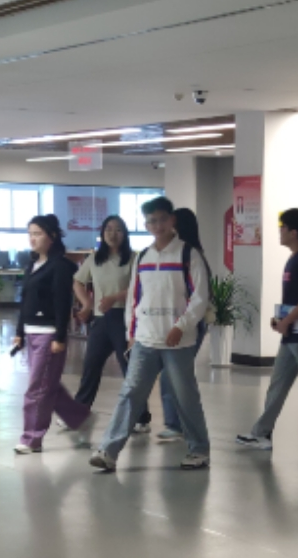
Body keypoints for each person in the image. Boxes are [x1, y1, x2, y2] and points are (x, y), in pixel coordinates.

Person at [89, 197, 212, 473]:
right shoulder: (144, 257)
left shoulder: (188, 254)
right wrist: (132, 333)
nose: (157, 225)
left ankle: (199, 450)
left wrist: (181, 326)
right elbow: (135, 298)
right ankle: (108, 451)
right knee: (130, 393)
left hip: (177, 342)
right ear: (146, 225)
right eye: (152, 221)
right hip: (145, 340)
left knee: (185, 396)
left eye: (162, 219)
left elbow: (200, 297)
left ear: (172, 220)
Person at [235, 207, 298, 453]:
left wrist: (287, 321)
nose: (280, 232)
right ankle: (261, 433)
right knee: (278, 384)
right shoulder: (294, 258)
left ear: (293, 232)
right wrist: (281, 320)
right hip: (292, 334)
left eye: (282, 227)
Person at [10, 213, 82, 454]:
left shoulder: (60, 266)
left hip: (49, 333)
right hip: (31, 331)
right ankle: (79, 418)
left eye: (38, 234)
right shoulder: (32, 264)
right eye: (30, 234)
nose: (32, 238)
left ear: (52, 236)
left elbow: (62, 303)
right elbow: (25, 301)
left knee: (37, 388)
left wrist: (60, 337)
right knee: (46, 383)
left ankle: (32, 438)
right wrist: (19, 332)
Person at [67, 215, 137, 422]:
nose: (112, 234)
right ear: (102, 233)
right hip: (101, 319)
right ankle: (78, 411)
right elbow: (77, 282)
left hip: (124, 319)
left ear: (125, 234)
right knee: (91, 367)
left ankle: (141, 417)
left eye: (118, 229)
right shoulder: (94, 259)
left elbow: (139, 287)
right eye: (108, 229)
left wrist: (114, 297)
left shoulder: (134, 258)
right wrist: (87, 303)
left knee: (130, 369)